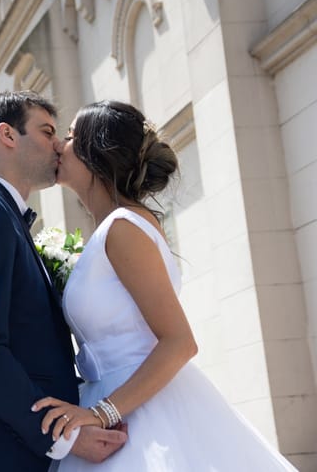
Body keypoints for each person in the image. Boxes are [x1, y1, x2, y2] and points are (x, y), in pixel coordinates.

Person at [31, 100, 298, 471]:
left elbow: (179, 342)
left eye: (72, 136)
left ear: (99, 153)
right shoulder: (114, 228)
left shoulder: (123, 228)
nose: (60, 145)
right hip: (115, 401)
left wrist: (102, 413)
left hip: (142, 412)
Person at [0, 91, 127, 472]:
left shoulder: (3, 216)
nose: (59, 145)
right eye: (47, 132)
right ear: (8, 135)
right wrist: (64, 437)